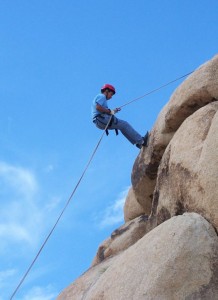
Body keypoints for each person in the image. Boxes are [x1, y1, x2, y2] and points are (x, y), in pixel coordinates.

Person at [91, 84, 149, 148]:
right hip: (101, 119)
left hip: (99, 122)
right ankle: (142, 141)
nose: (111, 97)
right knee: (125, 124)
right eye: (111, 94)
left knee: (122, 126)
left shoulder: (101, 98)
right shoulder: (102, 96)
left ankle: (138, 143)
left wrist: (113, 111)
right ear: (107, 91)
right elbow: (98, 107)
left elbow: (101, 110)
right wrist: (109, 111)